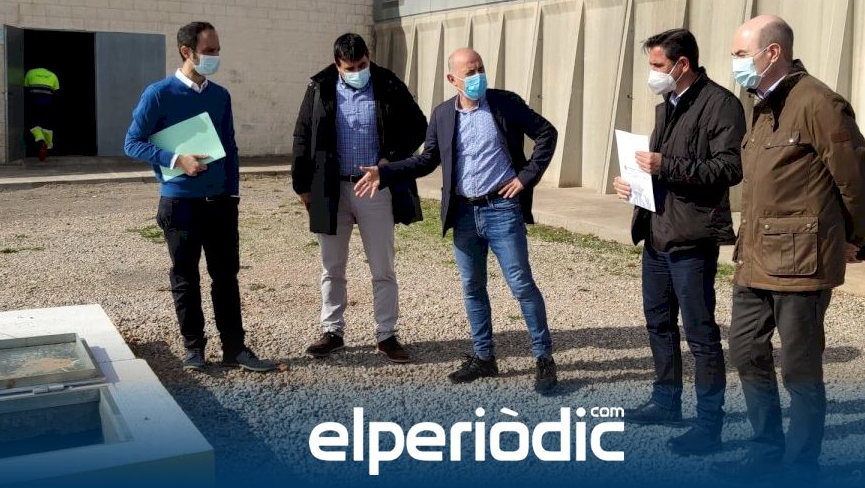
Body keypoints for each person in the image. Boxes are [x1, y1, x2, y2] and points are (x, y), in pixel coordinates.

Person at [720, 15, 865, 480]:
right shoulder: (762, 104)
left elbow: (860, 182)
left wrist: (853, 238)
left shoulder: (817, 103)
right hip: (754, 259)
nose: (735, 63)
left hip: (800, 265)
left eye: (741, 54)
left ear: (772, 53)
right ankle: (766, 451)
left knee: (800, 369)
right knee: (745, 351)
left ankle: (800, 465)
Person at [354, 48, 560, 393]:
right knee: (472, 287)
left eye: (481, 68)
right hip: (463, 214)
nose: (478, 76)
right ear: (453, 79)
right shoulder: (443, 114)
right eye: (470, 72)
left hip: (502, 210)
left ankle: (543, 358)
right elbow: (427, 160)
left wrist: (526, 177)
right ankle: (484, 357)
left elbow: (547, 133)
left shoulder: (505, 103)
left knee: (522, 285)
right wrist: (384, 172)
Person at [613, 29, 745, 454]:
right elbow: (658, 170)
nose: (652, 74)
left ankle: (709, 425)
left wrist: (665, 165)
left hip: (692, 237)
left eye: (658, 66)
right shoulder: (666, 105)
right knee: (658, 323)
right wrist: (632, 184)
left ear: (682, 64)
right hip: (656, 234)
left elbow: (730, 168)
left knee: (701, 334)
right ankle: (666, 402)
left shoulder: (721, 104)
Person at [124, 21, 281, 373]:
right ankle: (194, 348)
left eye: (218, 50)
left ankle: (235, 348)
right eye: (209, 51)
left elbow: (230, 146)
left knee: (226, 278)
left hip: (220, 203)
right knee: (185, 279)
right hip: (179, 203)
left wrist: (233, 193)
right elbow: (132, 142)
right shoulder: (159, 94)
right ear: (187, 51)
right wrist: (176, 159)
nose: (215, 56)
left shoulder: (220, 96)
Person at [291, 33, 428, 363]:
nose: (357, 72)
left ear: (369, 57)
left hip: (375, 188)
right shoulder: (319, 87)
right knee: (332, 265)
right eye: (350, 68)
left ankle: (386, 334)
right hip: (331, 189)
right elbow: (302, 135)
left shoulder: (388, 84)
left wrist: (389, 159)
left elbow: (418, 126)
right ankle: (332, 331)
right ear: (337, 64)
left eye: (362, 65)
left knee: (383, 266)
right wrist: (302, 186)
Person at [23, 66, 59, 161]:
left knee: (32, 122)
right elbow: (56, 92)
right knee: (46, 124)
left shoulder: (30, 73)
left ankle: (40, 138)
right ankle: (48, 143)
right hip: (47, 104)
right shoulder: (53, 75)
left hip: (34, 102)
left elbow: (25, 88)